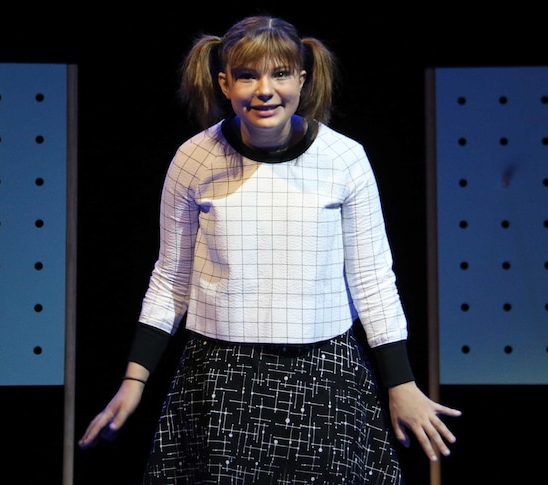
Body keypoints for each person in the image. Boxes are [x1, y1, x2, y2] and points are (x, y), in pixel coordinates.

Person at [79, 15, 461, 483]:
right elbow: (171, 277)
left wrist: (401, 383)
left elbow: (373, 278)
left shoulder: (344, 158)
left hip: (324, 376)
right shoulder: (195, 158)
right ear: (224, 82)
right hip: (218, 379)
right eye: (247, 75)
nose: (265, 89)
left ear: (301, 78)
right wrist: (134, 379)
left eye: (280, 73)